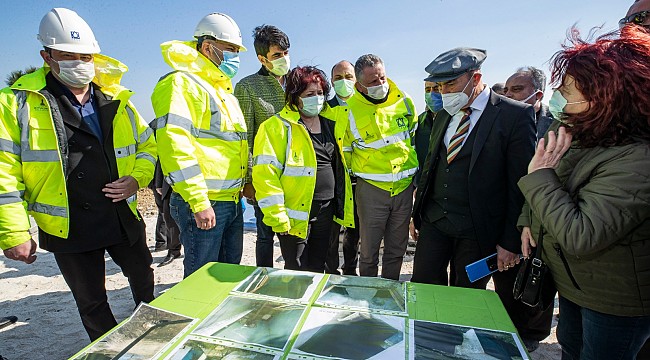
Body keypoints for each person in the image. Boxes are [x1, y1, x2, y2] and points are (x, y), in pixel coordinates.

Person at [0, 8, 157, 340]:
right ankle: (107, 348)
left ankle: (152, 333)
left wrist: (137, 179)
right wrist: (14, 233)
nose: (79, 63)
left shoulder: (118, 99)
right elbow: (4, 171)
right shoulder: (19, 103)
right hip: (69, 222)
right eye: (67, 56)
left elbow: (148, 147)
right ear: (47, 56)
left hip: (121, 214)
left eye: (85, 56)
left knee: (143, 275)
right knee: (91, 300)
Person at [518, 26, 650, 359]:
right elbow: (547, 183)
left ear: (606, 95)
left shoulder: (638, 159)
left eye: (567, 88)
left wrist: (541, 177)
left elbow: (581, 233)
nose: (556, 94)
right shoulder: (575, 129)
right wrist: (527, 220)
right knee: (571, 347)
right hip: (574, 282)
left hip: (615, 298)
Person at [411, 48, 536, 289]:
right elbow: (431, 166)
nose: (444, 93)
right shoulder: (443, 115)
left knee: (466, 298)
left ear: (475, 78)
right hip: (435, 221)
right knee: (423, 288)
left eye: (450, 85)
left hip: (478, 230)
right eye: (439, 87)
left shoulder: (514, 116)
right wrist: (417, 214)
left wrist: (510, 242)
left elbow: (519, 183)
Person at [151, 13, 248, 278]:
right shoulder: (181, 83)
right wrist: (198, 201)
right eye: (230, 50)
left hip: (230, 201)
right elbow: (175, 145)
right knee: (201, 278)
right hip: (204, 202)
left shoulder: (222, 91)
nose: (235, 57)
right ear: (207, 47)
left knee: (226, 276)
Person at [252, 66, 354, 272]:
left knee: (319, 265)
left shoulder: (333, 123)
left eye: (320, 93)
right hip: (295, 214)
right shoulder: (276, 127)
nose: (316, 98)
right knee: (297, 268)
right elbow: (265, 176)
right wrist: (277, 215)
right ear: (294, 96)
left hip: (328, 211)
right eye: (309, 94)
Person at [343, 54, 418, 280]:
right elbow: (346, 152)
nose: (381, 85)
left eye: (382, 78)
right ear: (359, 85)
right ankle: (368, 291)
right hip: (372, 190)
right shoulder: (350, 110)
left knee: (397, 249)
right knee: (369, 251)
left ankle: (390, 291)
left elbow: (413, 138)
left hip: (404, 188)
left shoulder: (403, 100)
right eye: (373, 82)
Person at [234, 25, 290, 268]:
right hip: (265, 176)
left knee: (294, 234)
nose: (284, 59)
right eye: (277, 55)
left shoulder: (297, 81)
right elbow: (245, 135)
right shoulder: (248, 87)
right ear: (262, 58)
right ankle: (265, 278)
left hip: (298, 173)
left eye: (286, 53)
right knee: (266, 234)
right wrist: (248, 179)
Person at [324, 60, 361, 276]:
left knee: (354, 232)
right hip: (334, 180)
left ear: (356, 80)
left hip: (358, 180)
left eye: (348, 76)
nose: (343, 81)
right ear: (331, 81)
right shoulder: (325, 110)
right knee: (331, 232)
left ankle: (350, 270)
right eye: (338, 78)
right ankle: (331, 271)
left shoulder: (364, 108)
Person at [504, 67, 553, 139]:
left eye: (516, 89)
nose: (507, 95)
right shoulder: (497, 119)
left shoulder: (557, 122)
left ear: (538, 95)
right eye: (505, 91)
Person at [152, 161, 182, 267]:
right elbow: (162, 156)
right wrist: (159, 182)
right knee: (170, 219)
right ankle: (173, 250)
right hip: (172, 183)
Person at [414, 80, 442, 186]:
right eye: (427, 90)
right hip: (423, 185)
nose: (431, 94)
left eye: (436, 89)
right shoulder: (419, 122)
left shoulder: (456, 119)